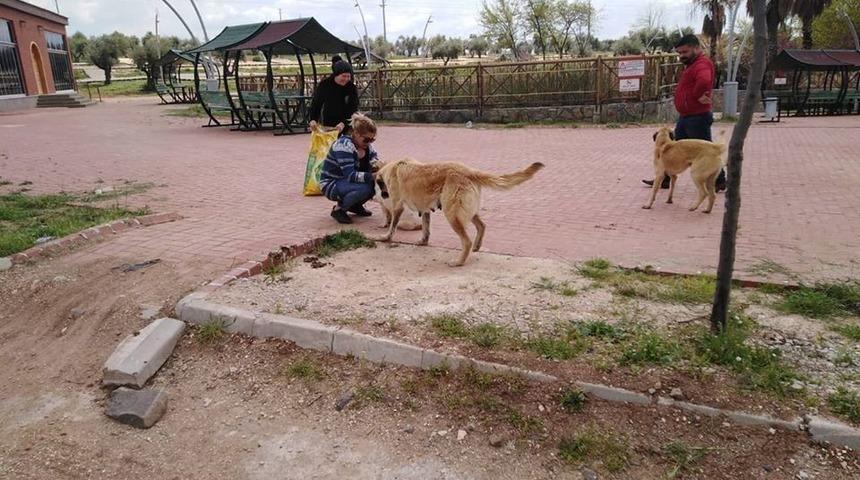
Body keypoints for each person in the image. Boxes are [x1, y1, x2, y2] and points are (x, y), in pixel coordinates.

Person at [643, 34, 727, 192]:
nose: (682, 56)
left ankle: (720, 181)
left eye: (685, 52)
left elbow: (704, 80)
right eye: (680, 53)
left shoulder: (702, 64)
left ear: (696, 48)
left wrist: (696, 95)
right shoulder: (693, 65)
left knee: (707, 150)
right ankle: (665, 177)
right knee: (672, 149)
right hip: (687, 116)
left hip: (697, 117)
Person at [320, 113, 379, 224]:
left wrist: (380, 170)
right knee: (365, 187)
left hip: (346, 182)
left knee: (376, 184)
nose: (369, 143)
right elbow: (350, 175)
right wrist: (372, 176)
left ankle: (355, 206)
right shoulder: (343, 146)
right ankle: (339, 210)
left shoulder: (366, 146)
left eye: (372, 140)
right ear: (356, 133)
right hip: (331, 183)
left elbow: (375, 161)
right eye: (366, 139)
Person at [308, 57, 359, 132]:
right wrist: (313, 119)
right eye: (343, 76)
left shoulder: (351, 87)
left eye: (348, 76)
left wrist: (343, 123)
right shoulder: (325, 85)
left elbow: (353, 108)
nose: (346, 79)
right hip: (329, 123)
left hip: (348, 124)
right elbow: (316, 103)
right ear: (336, 75)